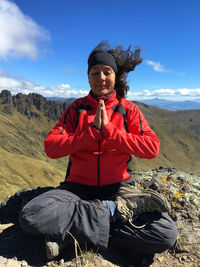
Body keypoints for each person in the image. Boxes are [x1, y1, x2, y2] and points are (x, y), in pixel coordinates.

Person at [19, 42, 178, 266]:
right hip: (77, 190)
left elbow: (151, 147)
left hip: (120, 190)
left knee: (166, 233)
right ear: (88, 77)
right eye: (95, 72)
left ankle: (69, 234)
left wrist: (110, 132)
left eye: (107, 72)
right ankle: (114, 225)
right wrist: (90, 133)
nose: (101, 77)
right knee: (32, 214)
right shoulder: (76, 109)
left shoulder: (128, 109)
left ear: (115, 76)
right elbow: (51, 147)